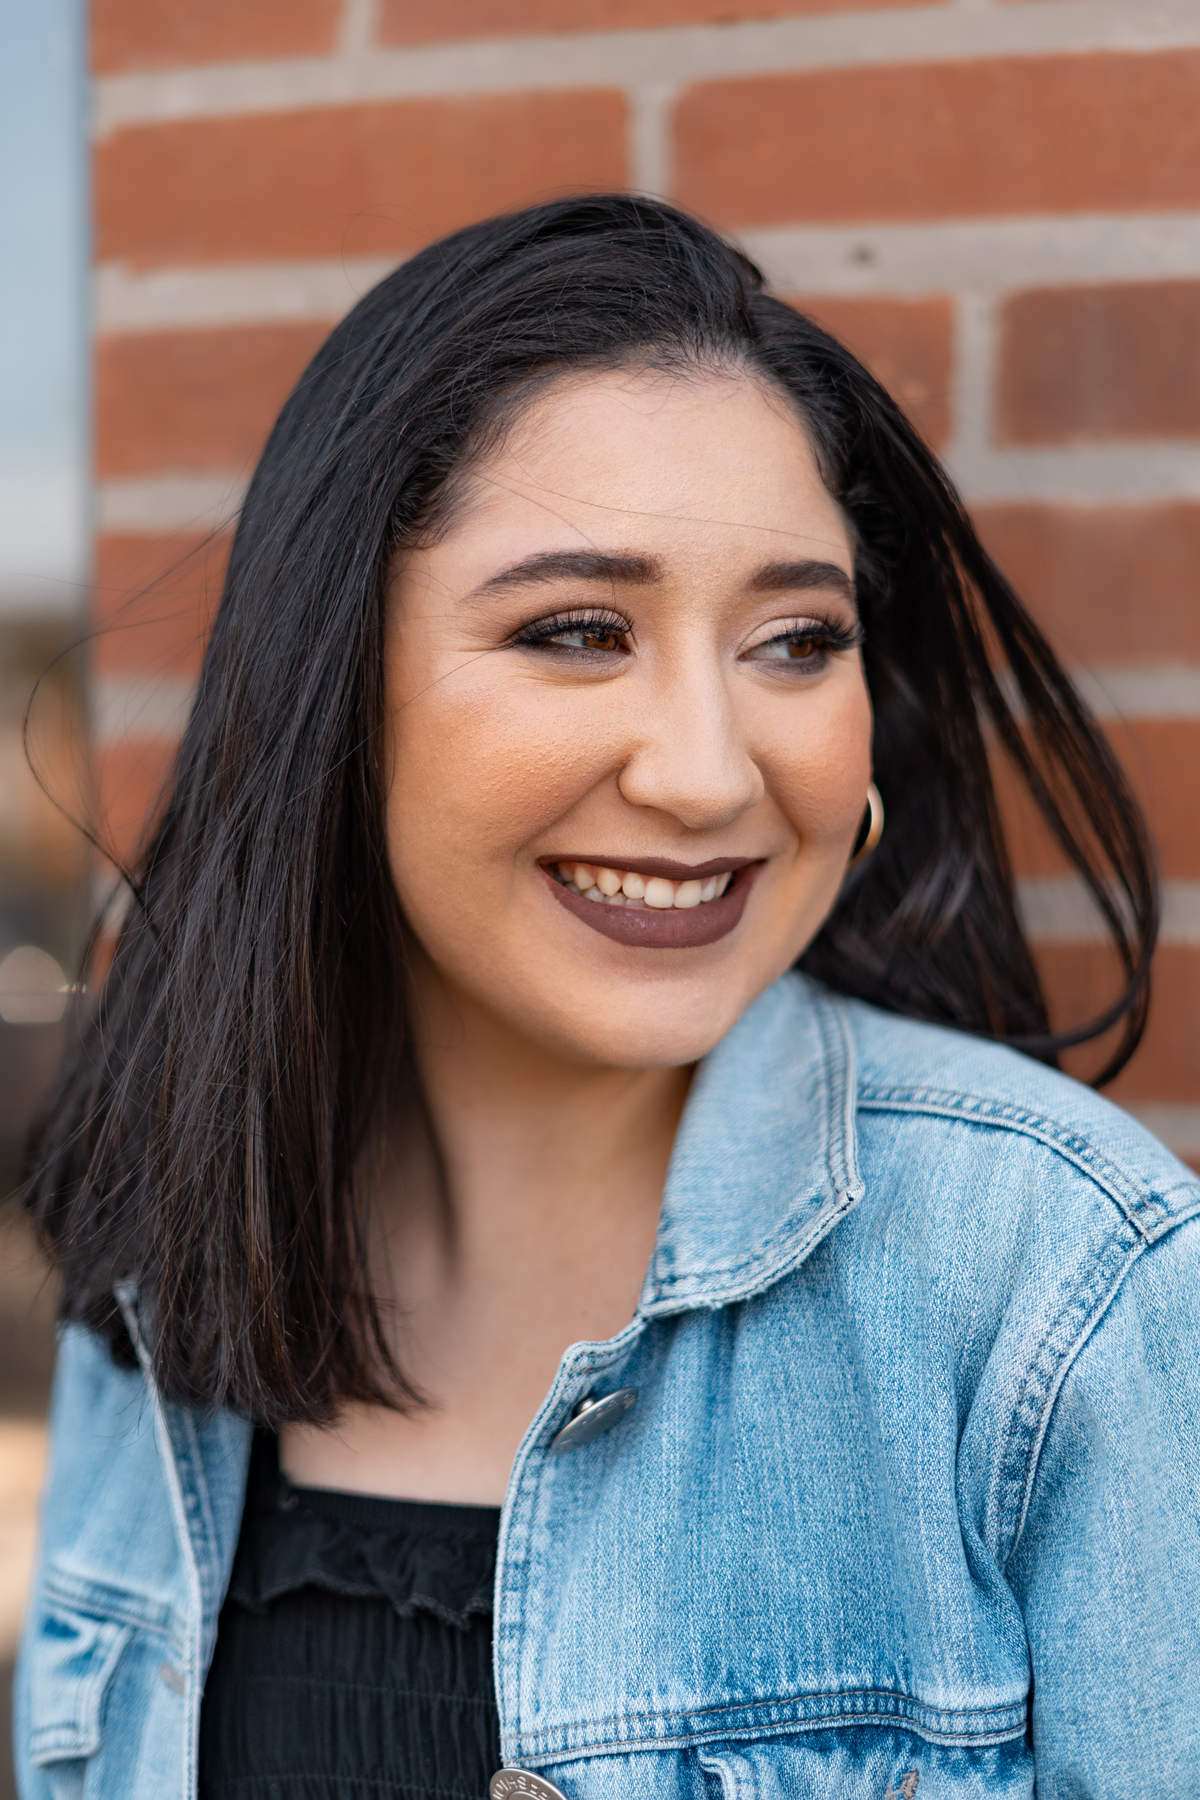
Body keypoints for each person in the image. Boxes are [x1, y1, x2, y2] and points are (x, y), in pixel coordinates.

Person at [14, 195, 1199, 1800]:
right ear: (335, 691)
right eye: (579, 632)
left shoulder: (1062, 1290)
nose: (710, 774)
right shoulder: (172, 1270)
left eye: (797, 641)